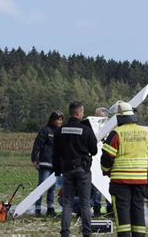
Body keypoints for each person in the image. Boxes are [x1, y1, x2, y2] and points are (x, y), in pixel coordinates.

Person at [101, 101, 148, 236]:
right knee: (138, 210)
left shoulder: (116, 133)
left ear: (119, 117)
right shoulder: (144, 134)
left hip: (120, 182)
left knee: (122, 212)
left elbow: (107, 158)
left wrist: (106, 171)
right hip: (140, 182)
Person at [53, 101, 97, 237]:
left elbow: (55, 152)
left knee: (67, 203)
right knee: (85, 204)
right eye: (82, 112)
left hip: (67, 170)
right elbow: (94, 151)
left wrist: (57, 170)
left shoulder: (60, 130)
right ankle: (87, 232)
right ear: (79, 113)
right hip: (82, 170)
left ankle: (65, 233)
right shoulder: (87, 130)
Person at [31, 110, 64, 217]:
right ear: (52, 120)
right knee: (41, 186)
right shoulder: (45, 130)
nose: (59, 122)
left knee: (52, 187)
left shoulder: (61, 132)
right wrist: (34, 159)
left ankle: (50, 208)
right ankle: (38, 208)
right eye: (57, 119)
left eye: (61, 120)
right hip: (45, 163)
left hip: (56, 165)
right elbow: (37, 145)